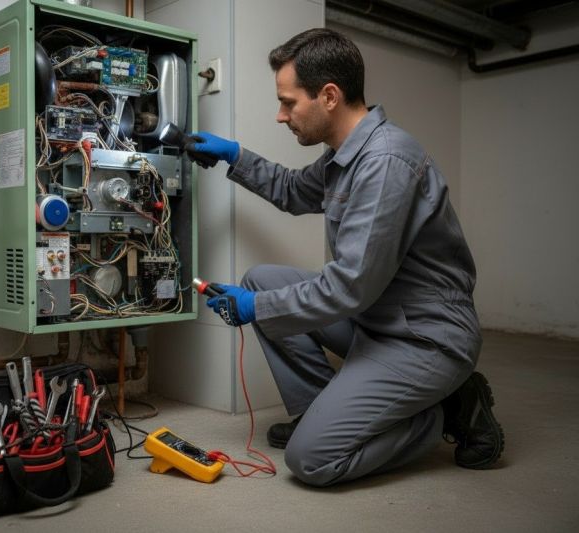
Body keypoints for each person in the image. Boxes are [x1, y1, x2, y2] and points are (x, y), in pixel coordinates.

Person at [185, 28, 504, 487]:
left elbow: (350, 285)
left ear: (329, 96)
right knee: (262, 279)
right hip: (377, 317)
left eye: (289, 102)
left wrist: (257, 310)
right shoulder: (345, 156)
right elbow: (294, 191)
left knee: (312, 460)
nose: (281, 115)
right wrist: (233, 155)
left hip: (423, 337)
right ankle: (322, 412)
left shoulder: (385, 162)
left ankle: (442, 412)